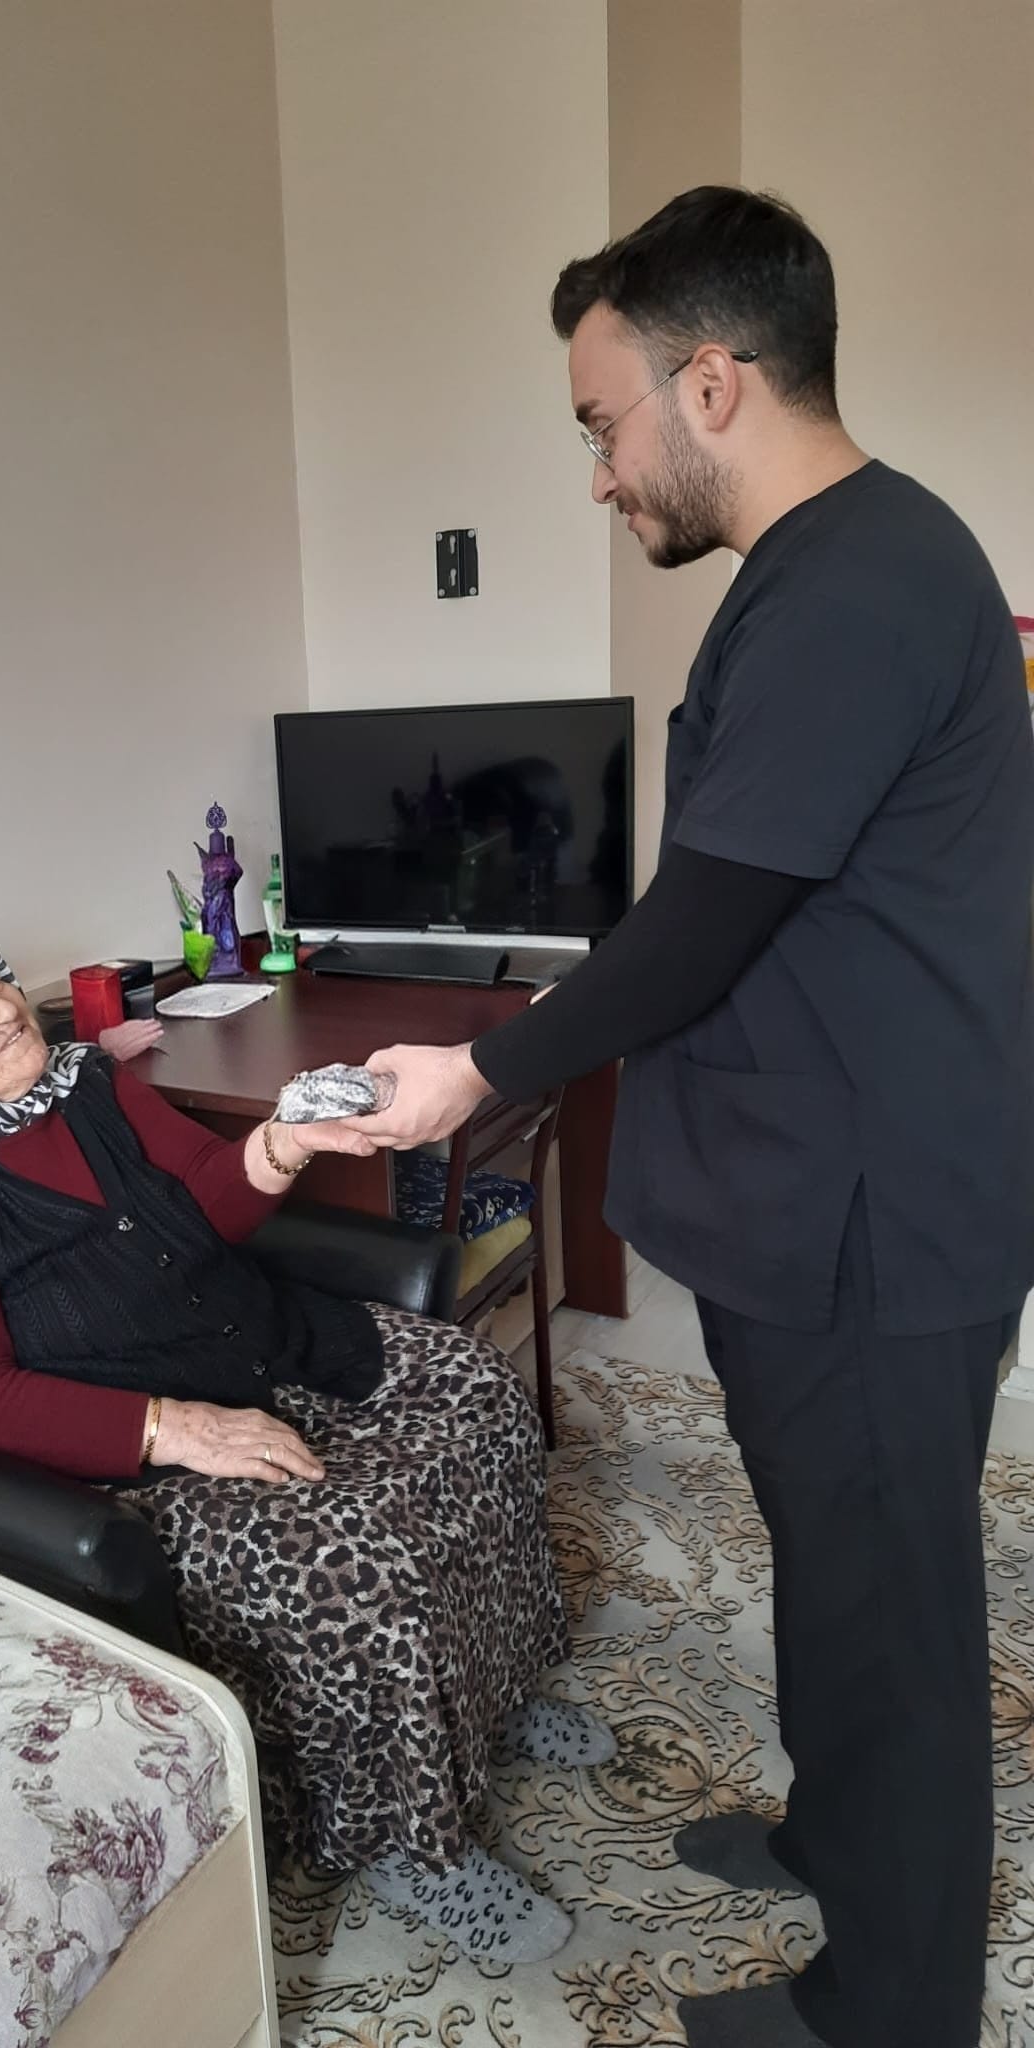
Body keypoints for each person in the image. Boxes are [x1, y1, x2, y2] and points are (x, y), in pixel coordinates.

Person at [347, 186, 1034, 2048]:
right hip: (811, 1202)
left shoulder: (863, 582)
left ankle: (888, 2011)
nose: (598, 473)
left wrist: (485, 1068)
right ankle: (837, 1839)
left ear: (711, 383)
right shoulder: (825, 571)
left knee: (893, 1623)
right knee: (831, 1564)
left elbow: (710, 912)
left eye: (603, 421)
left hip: (875, 1222)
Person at [0, 937, 615, 1963]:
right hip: (140, 1441)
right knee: (355, 1562)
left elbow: (206, 1190)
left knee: (481, 1397)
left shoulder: (88, 1084)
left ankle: (492, 1694)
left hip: (262, 1337)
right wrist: (174, 1426)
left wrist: (287, 1141)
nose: (1, 1009)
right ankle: (408, 1844)